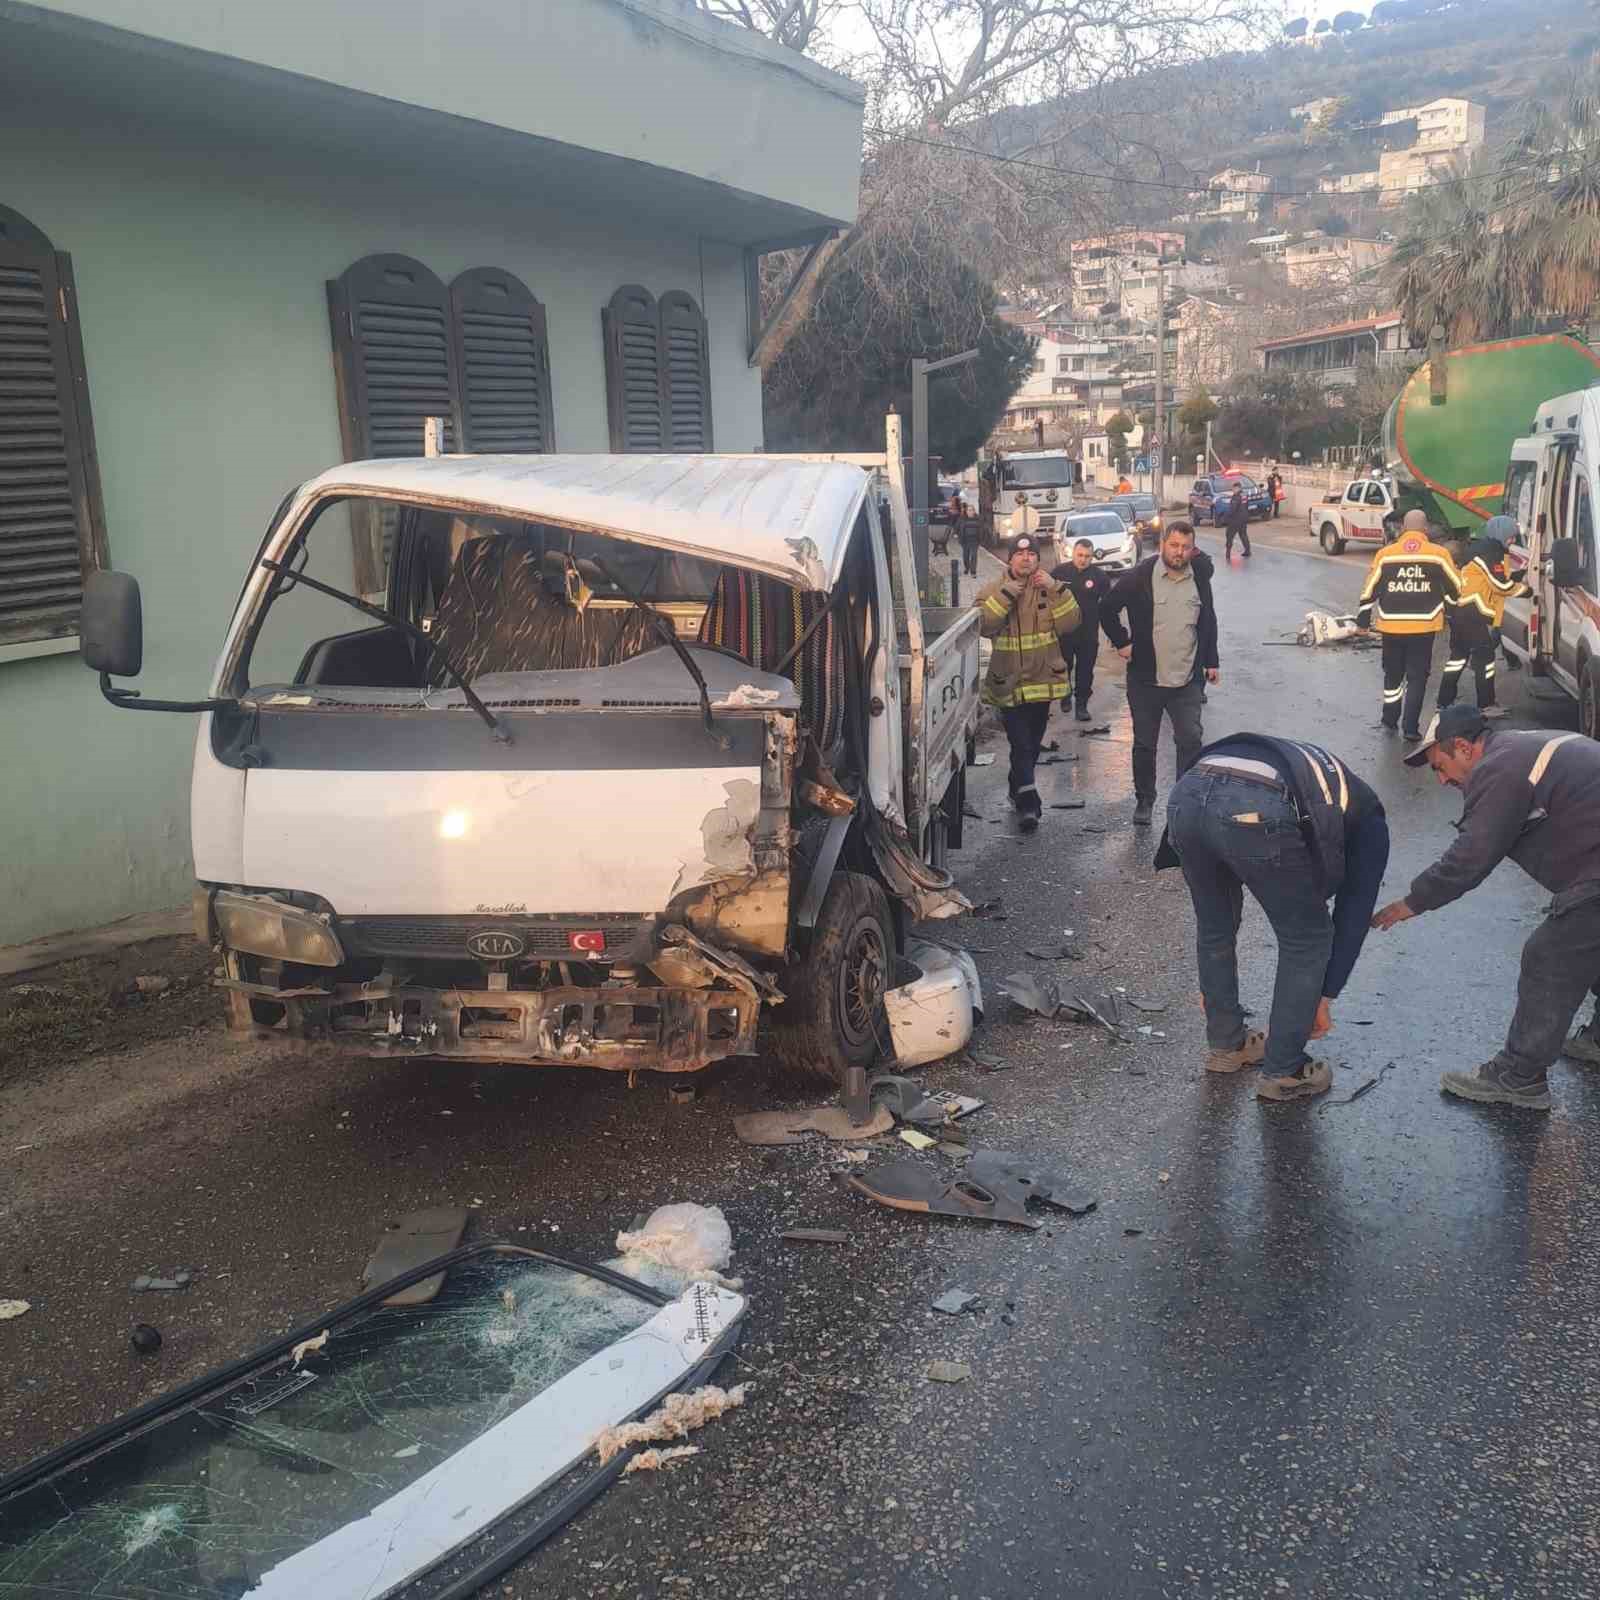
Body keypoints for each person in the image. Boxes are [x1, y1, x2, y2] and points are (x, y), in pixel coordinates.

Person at [1371, 707, 1600, 1110]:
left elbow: (1473, 855)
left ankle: (1518, 1078)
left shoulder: (1500, 768)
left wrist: (1413, 902)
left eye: (1440, 767)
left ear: (1462, 747)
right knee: (1587, 938)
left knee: (1551, 955)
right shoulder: (1520, 749)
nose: (1442, 780)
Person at [1157, 735, 1390, 1102]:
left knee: (1215, 924)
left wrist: (1215, 992)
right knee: (1307, 938)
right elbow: (1352, 913)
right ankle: (1285, 1070)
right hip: (1255, 802)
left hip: (1188, 794)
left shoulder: (1328, 788)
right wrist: (1323, 995)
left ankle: (1226, 1043)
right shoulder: (1370, 820)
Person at [1100, 520, 1219, 829]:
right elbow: (1106, 608)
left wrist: (1211, 660)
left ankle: (1184, 801)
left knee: (1191, 740)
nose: (1179, 553)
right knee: (1144, 744)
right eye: (1174, 545)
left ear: (1193, 550)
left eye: (1185, 547)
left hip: (1186, 679)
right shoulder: (1140, 576)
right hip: (1145, 680)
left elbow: (1208, 619)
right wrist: (1122, 642)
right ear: (1163, 544)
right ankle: (1145, 799)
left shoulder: (1200, 574)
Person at [977, 535, 1082, 832]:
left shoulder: (1050, 590)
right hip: (1007, 683)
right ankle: (1029, 804)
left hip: (1042, 681)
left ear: (1038, 559)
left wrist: (1056, 588)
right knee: (1020, 742)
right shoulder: (993, 590)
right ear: (1010, 559)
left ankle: (1017, 785)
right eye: (1020, 554)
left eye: (1031, 555)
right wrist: (1007, 595)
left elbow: (1072, 623)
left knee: (1031, 744)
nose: (1026, 559)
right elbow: (984, 625)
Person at [1355, 509, 1461, 743]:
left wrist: (1362, 620)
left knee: (1392, 676)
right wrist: (1452, 610)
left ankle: (1389, 719)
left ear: (1403, 528)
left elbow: (1369, 589)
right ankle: (1411, 728)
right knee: (1417, 678)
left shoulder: (1386, 554)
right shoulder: (1439, 554)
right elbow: (1456, 586)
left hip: (1391, 627)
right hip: (1423, 629)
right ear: (1425, 530)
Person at [1437, 516, 1527, 719]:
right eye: (1511, 537)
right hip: (1473, 615)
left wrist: (1516, 576)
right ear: (1502, 533)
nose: (1513, 541)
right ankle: (1485, 704)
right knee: (1485, 660)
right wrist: (1526, 590)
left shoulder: (1479, 550)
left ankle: (1444, 701)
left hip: (1461, 613)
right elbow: (1500, 586)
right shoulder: (1491, 552)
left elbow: (1491, 579)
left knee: (1457, 659)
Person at [1051, 536, 1107, 722]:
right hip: (1064, 633)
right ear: (1073, 553)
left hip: (1088, 634)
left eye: (1087, 556)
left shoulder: (1099, 577)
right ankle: (1065, 695)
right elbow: (1046, 598)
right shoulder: (1060, 573)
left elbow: (1108, 605)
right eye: (1080, 555)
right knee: (1064, 667)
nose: (1083, 559)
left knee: (1085, 671)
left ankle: (1081, 705)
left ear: (1092, 557)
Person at [1222, 488, 1252, 559]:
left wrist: (1226, 517)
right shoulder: (1244, 495)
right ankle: (1247, 551)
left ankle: (1228, 553)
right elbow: (1247, 505)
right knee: (1243, 535)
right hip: (1243, 519)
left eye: (1233, 489)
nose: (1232, 490)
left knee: (1229, 535)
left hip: (1235, 520)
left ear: (1237, 488)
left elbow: (1233, 509)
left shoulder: (1236, 497)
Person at [958, 501, 981, 577]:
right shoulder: (962, 519)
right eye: (968, 510)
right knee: (965, 556)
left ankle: (973, 571)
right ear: (966, 511)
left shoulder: (978, 519)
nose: (970, 512)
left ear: (974, 511)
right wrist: (956, 534)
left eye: (972, 510)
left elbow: (981, 530)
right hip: (965, 541)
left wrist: (980, 539)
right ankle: (967, 568)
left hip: (974, 541)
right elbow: (957, 527)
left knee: (974, 556)